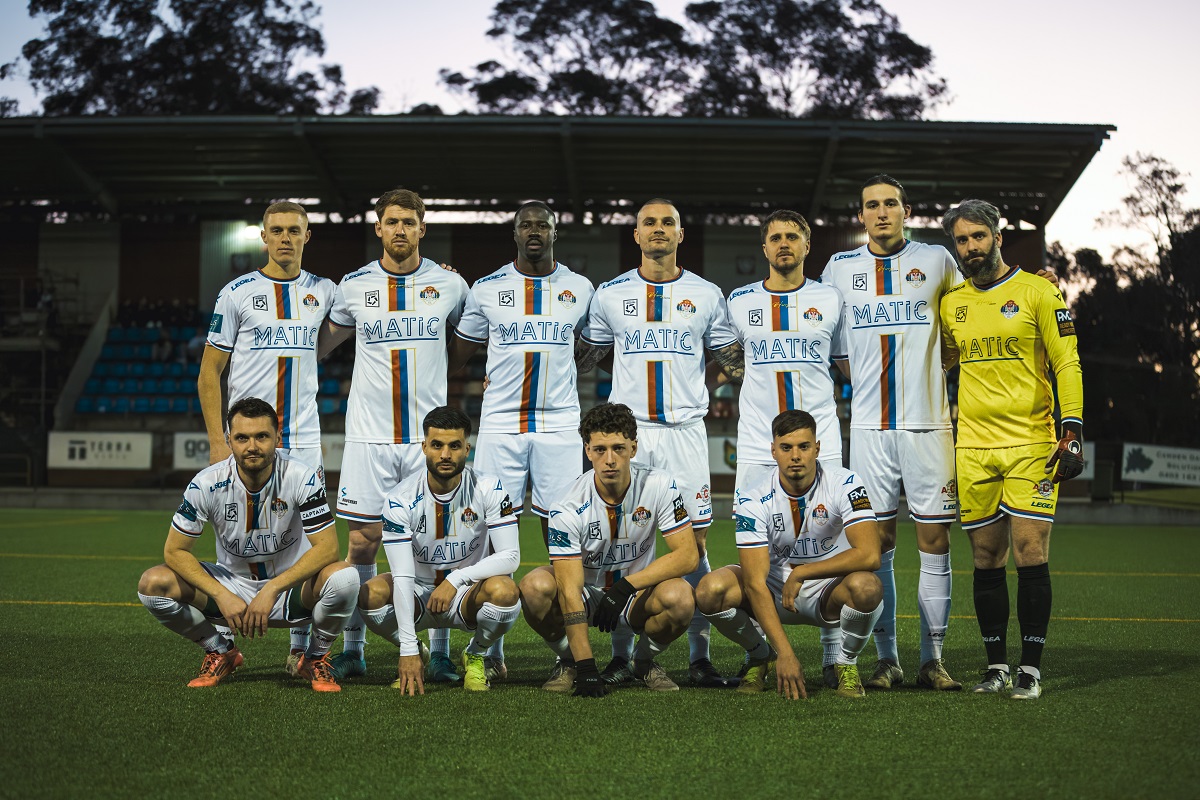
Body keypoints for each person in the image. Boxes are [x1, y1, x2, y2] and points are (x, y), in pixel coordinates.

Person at [576, 198, 743, 688]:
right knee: (624, 540)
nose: (658, 229)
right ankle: (622, 657)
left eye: (668, 222)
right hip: (632, 436)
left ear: (680, 234)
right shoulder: (610, 294)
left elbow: (733, 359)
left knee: (695, 543)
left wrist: (702, 383)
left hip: (685, 433)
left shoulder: (707, 294)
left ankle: (698, 657)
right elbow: (586, 357)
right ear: (636, 234)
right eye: (648, 222)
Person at [319, 188, 470, 682]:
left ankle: (441, 650)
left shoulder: (451, 285)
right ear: (378, 228)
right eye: (392, 221)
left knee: (440, 543)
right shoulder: (352, 286)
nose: (400, 229)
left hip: (430, 441)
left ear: (422, 228)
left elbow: (470, 338)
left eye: (409, 221)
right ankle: (353, 649)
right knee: (363, 544)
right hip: (369, 438)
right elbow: (319, 346)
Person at [821, 175, 963, 691]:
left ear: (906, 210)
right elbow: (837, 350)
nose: (881, 212)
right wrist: (868, 383)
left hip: (929, 425)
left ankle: (933, 659)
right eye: (871, 205)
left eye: (890, 204)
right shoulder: (838, 268)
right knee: (875, 543)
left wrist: (929, 372)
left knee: (934, 539)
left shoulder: (938, 260)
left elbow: (963, 326)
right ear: (860, 215)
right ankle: (888, 660)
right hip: (869, 430)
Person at [939, 199, 1084, 701]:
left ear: (998, 237)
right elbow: (940, 360)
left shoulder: (1039, 291)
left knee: (1030, 551)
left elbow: (1067, 362)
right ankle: (996, 666)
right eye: (962, 240)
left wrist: (1072, 429)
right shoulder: (951, 304)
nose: (971, 247)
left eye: (979, 236)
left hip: (1031, 444)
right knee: (985, 556)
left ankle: (1031, 670)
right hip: (973, 447)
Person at [448, 201, 595, 680]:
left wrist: (564, 370)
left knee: (563, 535)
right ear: (514, 233)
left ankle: (568, 649)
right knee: (491, 534)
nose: (534, 232)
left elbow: (592, 349)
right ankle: (490, 648)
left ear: (555, 232)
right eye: (526, 225)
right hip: (500, 424)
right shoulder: (486, 288)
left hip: (559, 425)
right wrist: (447, 294)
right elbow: (456, 355)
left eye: (542, 225)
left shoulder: (580, 288)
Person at [135, 397, 358, 691]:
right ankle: (220, 651)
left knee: (345, 578)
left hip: (289, 591)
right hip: (231, 589)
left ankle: (314, 658)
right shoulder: (206, 483)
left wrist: (272, 589)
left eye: (261, 436)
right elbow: (174, 551)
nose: (252, 446)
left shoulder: (301, 476)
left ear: (277, 438)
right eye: (242, 438)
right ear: (229, 440)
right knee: (153, 584)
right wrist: (221, 594)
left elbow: (328, 548)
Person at [198, 201, 337, 670]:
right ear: (263, 236)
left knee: (308, 543)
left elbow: (372, 295)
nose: (285, 238)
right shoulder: (236, 293)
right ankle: (223, 644)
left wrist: (436, 272)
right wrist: (218, 440)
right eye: (276, 230)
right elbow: (209, 373)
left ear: (306, 236)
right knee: (232, 529)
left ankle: (301, 648)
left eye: (294, 230)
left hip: (303, 438)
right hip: (249, 440)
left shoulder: (325, 291)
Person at [697, 409, 883, 699]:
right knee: (710, 590)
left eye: (804, 447)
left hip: (829, 589)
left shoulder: (846, 483)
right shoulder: (751, 496)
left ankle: (846, 663)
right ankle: (761, 654)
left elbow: (870, 555)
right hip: (773, 589)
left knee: (868, 587)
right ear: (773, 451)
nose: (795, 456)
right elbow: (755, 582)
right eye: (786, 448)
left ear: (817, 448)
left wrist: (803, 573)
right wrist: (784, 653)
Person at [520, 402, 699, 695]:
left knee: (680, 597)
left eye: (618, 448)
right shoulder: (566, 505)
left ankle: (642, 662)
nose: (610, 460)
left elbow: (688, 556)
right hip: (586, 595)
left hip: (636, 594)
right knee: (534, 587)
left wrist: (626, 586)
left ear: (633, 448)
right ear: (588, 451)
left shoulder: (659, 484)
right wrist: (587, 666)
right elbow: (569, 590)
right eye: (600, 450)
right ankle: (570, 661)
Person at [358, 406, 522, 693]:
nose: (445, 454)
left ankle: (476, 653)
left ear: (467, 449)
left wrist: (455, 579)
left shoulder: (489, 488)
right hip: (419, 593)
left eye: (454, 446)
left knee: (506, 592)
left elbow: (511, 557)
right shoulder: (400, 499)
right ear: (424, 447)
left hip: (467, 593)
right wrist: (407, 649)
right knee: (370, 594)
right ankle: (418, 649)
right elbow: (402, 576)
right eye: (437, 445)